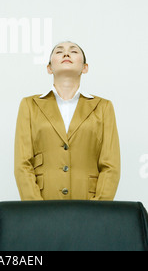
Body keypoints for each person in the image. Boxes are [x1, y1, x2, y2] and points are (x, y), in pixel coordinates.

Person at [14, 41, 121, 201]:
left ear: (85, 67)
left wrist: (98, 209)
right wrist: (36, 210)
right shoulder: (30, 105)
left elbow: (110, 165)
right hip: (44, 204)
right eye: (59, 51)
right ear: (49, 68)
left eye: (73, 51)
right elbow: (23, 164)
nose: (66, 53)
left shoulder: (103, 107)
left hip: (88, 206)